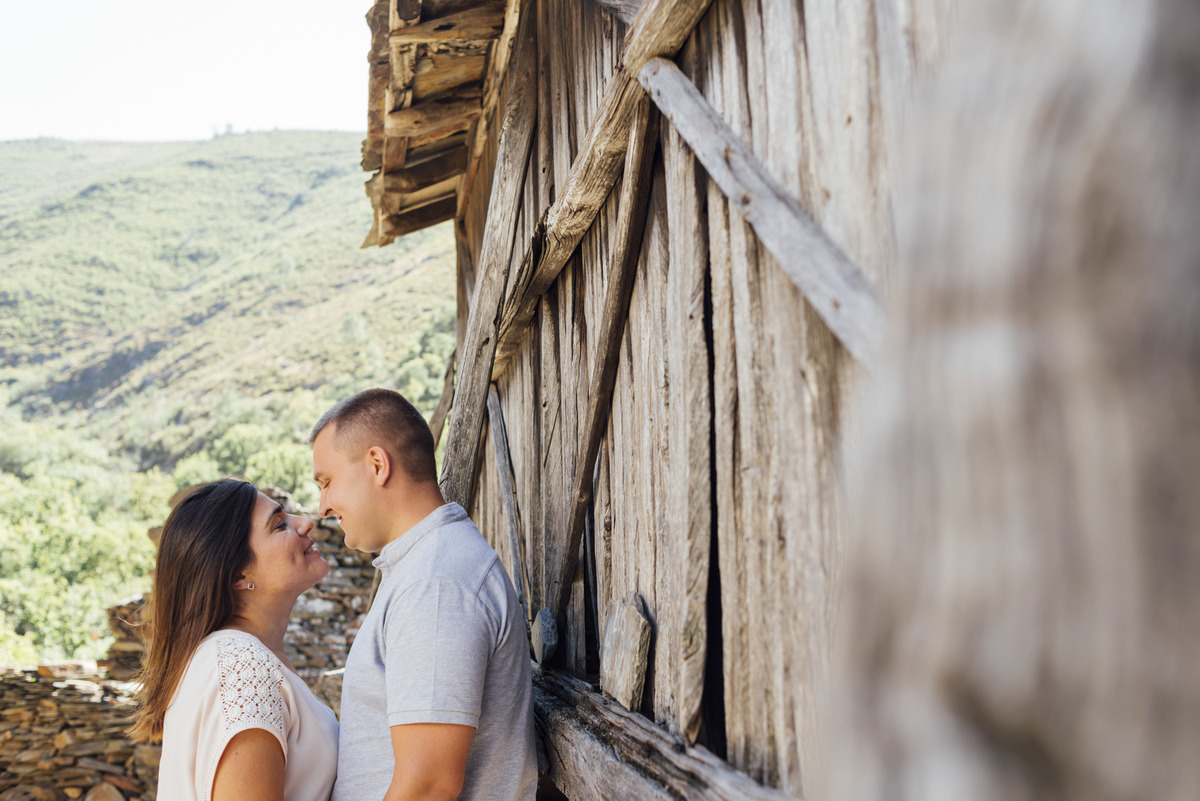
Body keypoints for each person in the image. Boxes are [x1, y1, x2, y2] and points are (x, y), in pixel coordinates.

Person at [310, 388, 537, 801]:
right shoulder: (423, 569)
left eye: (327, 482)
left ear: (377, 465)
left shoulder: (435, 583)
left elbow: (428, 786)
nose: (323, 505)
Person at [129, 478, 339, 801]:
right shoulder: (244, 669)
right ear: (239, 576)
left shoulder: (229, 657)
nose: (307, 524)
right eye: (279, 525)